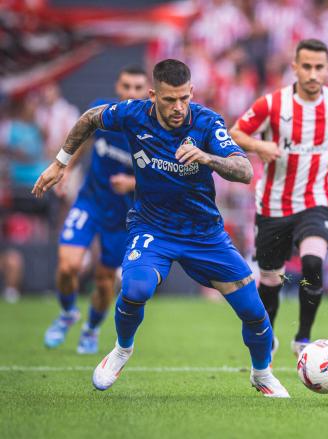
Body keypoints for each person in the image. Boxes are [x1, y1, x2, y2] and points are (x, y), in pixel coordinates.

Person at [32, 59, 289, 397]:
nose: (178, 107)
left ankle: (261, 374)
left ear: (191, 93)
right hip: (153, 228)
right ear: (153, 95)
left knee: (255, 313)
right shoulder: (133, 114)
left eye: (184, 98)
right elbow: (90, 119)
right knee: (135, 290)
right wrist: (59, 164)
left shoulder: (208, 123)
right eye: (169, 100)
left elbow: (244, 170)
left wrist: (206, 157)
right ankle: (122, 349)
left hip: (204, 234)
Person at [230, 39, 328, 356]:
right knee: (270, 279)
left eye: (318, 67)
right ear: (294, 67)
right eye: (306, 66)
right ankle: (266, 339)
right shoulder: (271, 104)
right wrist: (259, 146)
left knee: (312, 264)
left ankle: (303, 338)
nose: (312, 73)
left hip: (316, 200)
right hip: (272, 205)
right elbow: (236, 132)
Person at [43, 66, 147, 354]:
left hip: (123, 218)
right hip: (90, 201)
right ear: (118, 86)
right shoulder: (103, 113)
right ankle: (67, 314)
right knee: (67, 266)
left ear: (148, 92)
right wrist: (65, 169)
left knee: (104, 283)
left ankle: (90, 329)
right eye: (126, 86)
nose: (131, 93)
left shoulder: (153, 130)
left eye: (138, 88)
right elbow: (83, 141)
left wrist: (132, 182)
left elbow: (165, 175)